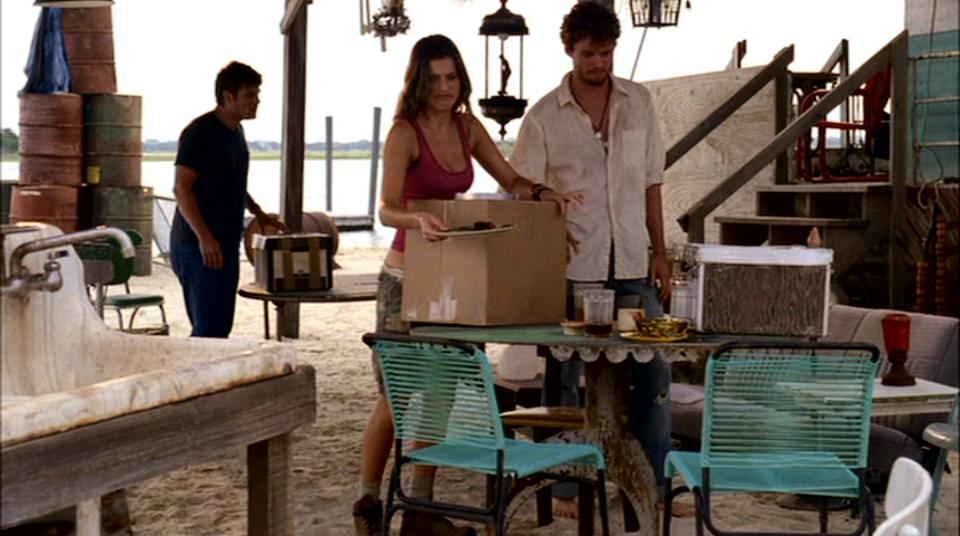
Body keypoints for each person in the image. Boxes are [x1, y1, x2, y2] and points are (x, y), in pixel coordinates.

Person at [352, 34, 582, 536]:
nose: (444, 87)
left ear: (461, 79)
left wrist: (544, 193)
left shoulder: (468, 127)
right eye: (434, 78)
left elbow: (511, 180)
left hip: (453, 283)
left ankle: (420, 510)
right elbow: (386, 208)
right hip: (405, 279)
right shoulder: (404, 133)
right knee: (397, 396)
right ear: (419, 81)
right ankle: (367, 503)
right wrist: (417, 220)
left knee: (441, 395)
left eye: (451, 76)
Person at [509, 1, 672, 519]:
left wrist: (661, 251)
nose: (599, 63)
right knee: (566, 376)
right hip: (576, 269)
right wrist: (549, 235)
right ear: (569, 51)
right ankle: (564, 491)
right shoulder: (542, 116)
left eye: (606, 52)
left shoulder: (640, 102)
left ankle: (652, 484)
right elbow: (523, 190)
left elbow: (652, 183)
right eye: (588, 54)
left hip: (634, 262)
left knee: (654, 374)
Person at [170, 61, 282, 338]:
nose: (257, 101)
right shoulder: (200, 132)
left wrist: (256, 211)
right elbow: (182, 189)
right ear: (228, 96)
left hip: (226, 241)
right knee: (208, 329)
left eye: (257, 94)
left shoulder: (236, 132)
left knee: (220, 326)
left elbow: (231, 180)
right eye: (250, 95)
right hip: (197, 244)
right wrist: (204, 237)